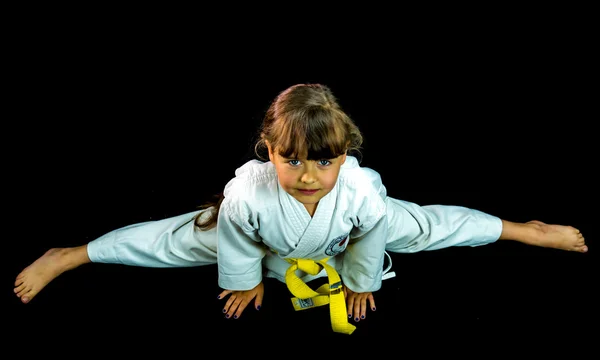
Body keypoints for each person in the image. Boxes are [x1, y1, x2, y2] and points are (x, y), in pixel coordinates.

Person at [13, 83, 588, 334]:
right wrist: (243, 278)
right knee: (170, 241)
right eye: (292, 162)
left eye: (324, 162)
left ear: (346, 154)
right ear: (269, 151)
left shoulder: (360, 190)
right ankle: (72, 255)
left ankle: (523, 230)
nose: (308, 176)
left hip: (344, 238)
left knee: (433, 226)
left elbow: (370, 235)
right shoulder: (250, 194)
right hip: (261, 241)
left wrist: (365, 279)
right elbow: (238, 244)